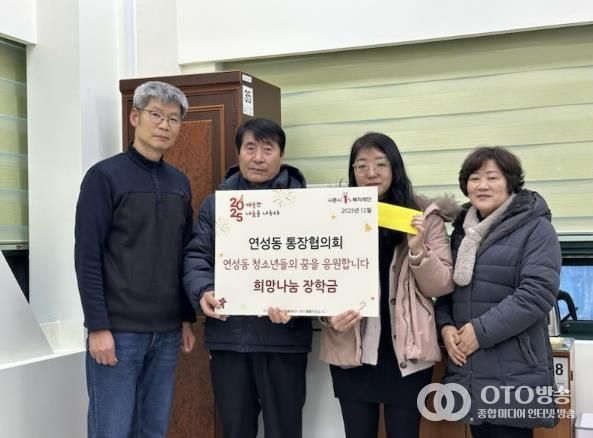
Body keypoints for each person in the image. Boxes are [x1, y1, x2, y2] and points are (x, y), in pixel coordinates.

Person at [75, 81, 196, 438]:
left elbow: (184, 252)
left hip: (167, 333)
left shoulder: (179, 183)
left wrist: (186, 318)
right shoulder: (104, 177)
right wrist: (97, 327)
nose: (164, 125)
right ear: (134, 117)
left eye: (173, 119)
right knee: (111, 431)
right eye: (156, 115)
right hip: (118, 332)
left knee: (152, 430)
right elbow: (87, 256)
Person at [319, 132, 455, 438]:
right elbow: (314, 276)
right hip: (352, 349)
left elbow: (442, 285)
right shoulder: (334, 214)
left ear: (395, 168)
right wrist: (328, 316)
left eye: (381, 164)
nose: (371, 173)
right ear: (352, 171)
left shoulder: (424, 215)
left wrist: (418, 249)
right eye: (361, 165)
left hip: (408, 351)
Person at [183, 118, 312, 438]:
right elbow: (197, 256)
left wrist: (298, 303)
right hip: (230, 339)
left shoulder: (306, 206)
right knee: (235, 429)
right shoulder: (217, 205)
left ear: (281, 155)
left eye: (267, 149)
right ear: (238, 153)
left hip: (284, 339)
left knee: (285, 430)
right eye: (250, 148)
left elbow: (319, 265)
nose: (258, 157)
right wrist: (204, 291)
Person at [435, 146, 561, 438]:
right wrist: (445, 326)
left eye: (492, 177)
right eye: (474, 178)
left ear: (510, 182)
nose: (482, 185)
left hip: (515, 369)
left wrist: (479, 332)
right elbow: (447, 291)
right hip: (471, 369)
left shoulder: (536, 228)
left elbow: (537, 294)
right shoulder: (463, 234)